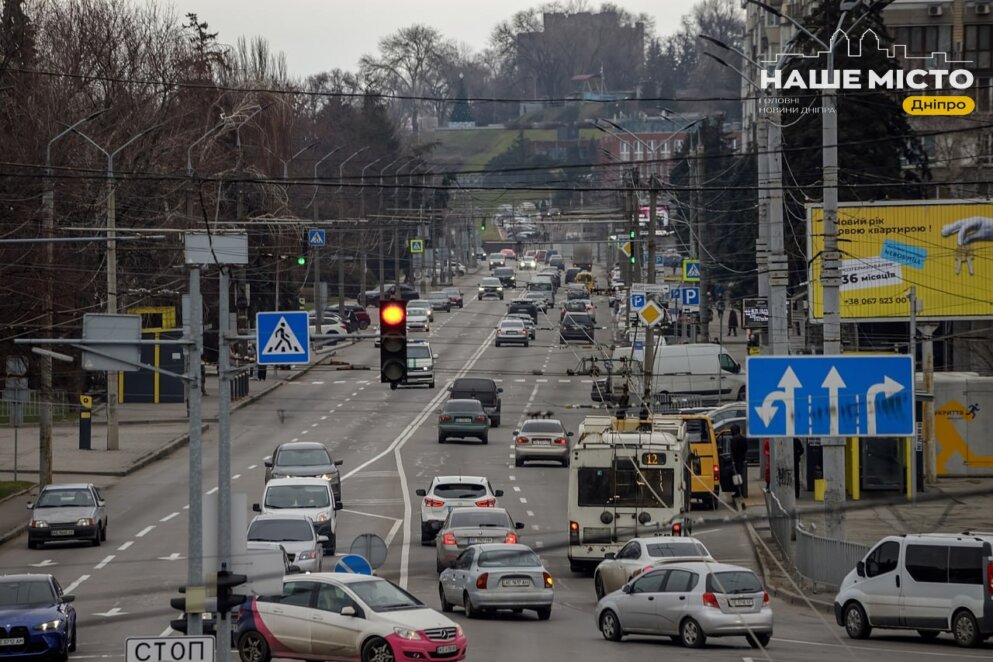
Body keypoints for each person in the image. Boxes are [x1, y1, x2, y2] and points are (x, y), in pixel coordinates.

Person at [729, 424, 748, 507]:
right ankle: (742, 492)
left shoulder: (734, 439)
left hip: (736, 460)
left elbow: (733, 450)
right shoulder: (743, 438)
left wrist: (733, 459)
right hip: (742, 459)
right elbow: (746, 448)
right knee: (741, 475)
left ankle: (738, 492)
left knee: (737, 476)